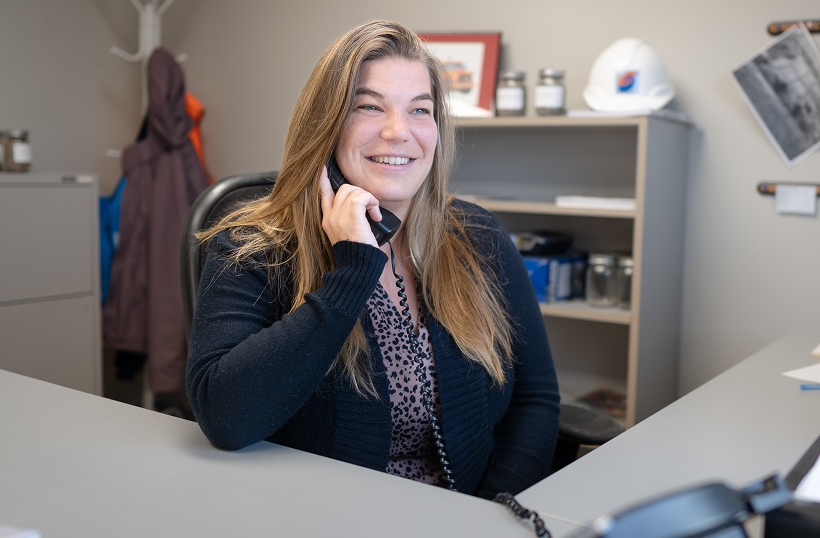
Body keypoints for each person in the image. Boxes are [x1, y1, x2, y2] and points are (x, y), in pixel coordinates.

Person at [186, 19, 560, 499]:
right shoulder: (253, 246)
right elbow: (225, 417)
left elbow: (536, 400)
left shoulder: (479, 238)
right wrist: (352, 272)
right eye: (369, 107)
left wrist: (490, 514)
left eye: (419, 110)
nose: (397, 132)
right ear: (325, 125)